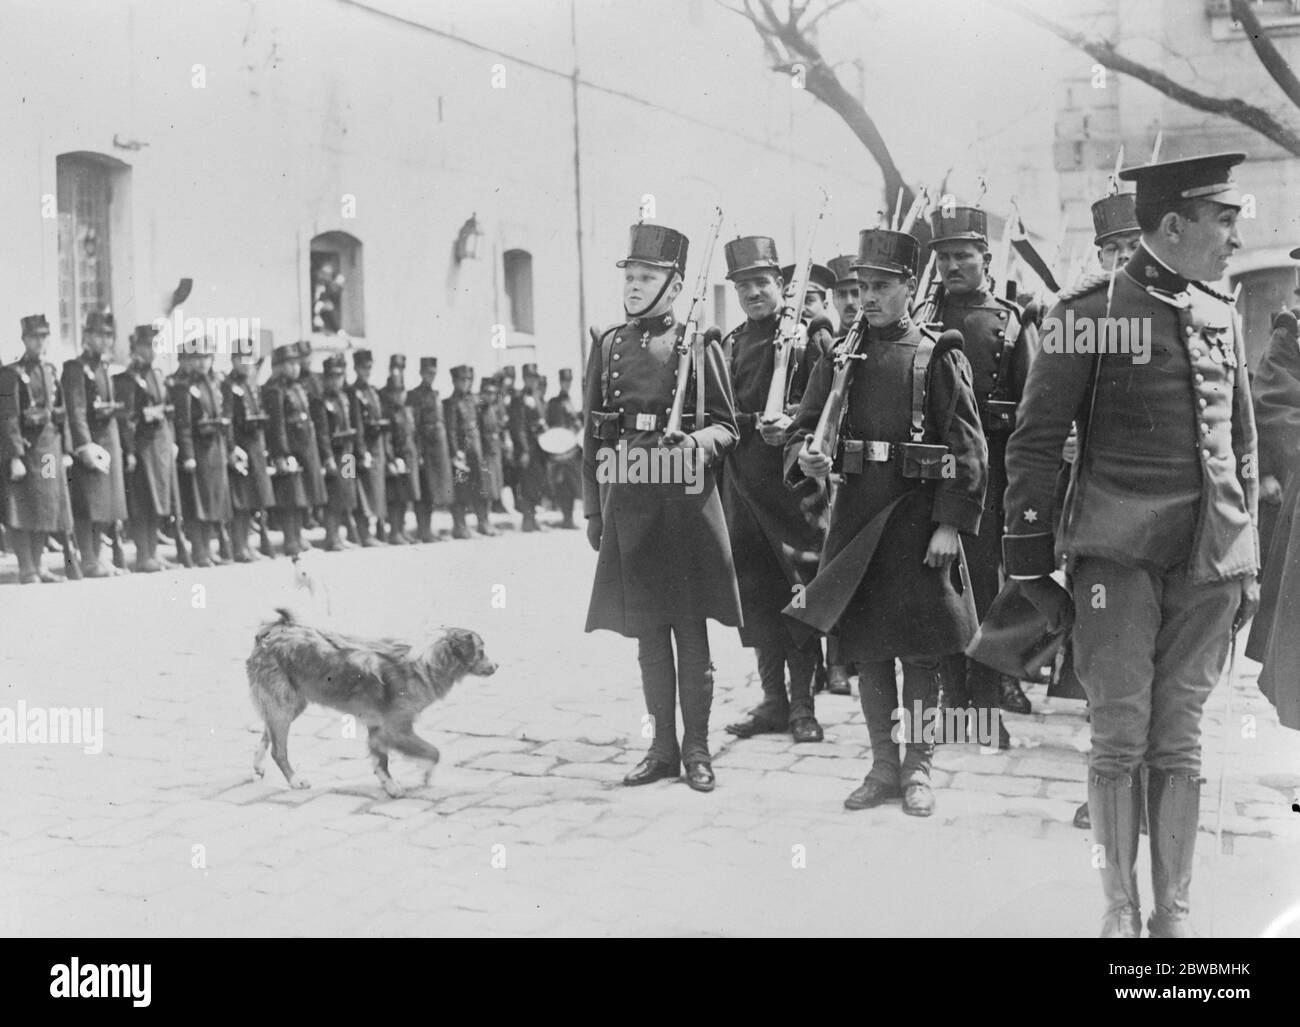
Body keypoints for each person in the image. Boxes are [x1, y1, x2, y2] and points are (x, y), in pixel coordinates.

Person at [1002, 152, 1257, 937]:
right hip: (1117, 559)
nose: (1233, 240)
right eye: (1223, 222)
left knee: (1180, 735)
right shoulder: (1089, 309)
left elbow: (1242, 447)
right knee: (1119, 734)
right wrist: (1027, 563)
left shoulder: (1222, 311)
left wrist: (1248, 560)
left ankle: (1173, 913)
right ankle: (1119, 908)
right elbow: (1035, 443)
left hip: (1208, 561)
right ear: (1173, 224)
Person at [784, 228, 987, 816]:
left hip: (917, 519)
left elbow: (969, 448)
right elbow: (804, 426)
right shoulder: (838, 355)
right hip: (857, 517)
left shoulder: (937, 353)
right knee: (870, 649)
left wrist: (951, 523)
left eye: (881, 287)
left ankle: (918, 766)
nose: (867, 298)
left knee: (920, 651)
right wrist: (808, 456)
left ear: (908, 287)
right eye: (861, 287)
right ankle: (881, 766)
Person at [584, 222, 741, 793]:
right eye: (629, 276)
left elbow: (729, 426)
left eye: (646, 277)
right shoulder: (609, 344)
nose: (633, 286)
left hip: (684, 499)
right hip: (629, 496)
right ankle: (662, 749)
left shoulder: (701, 344)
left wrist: (697, 443)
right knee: (648, 631)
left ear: (674, 288)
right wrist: (593, 512)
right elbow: (593, 435)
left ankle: (698, 749)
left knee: (690, 630)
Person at [930, 203, 1038, 739]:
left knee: (987, 586)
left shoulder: (1012, 323)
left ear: (985, 258)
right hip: (932, 472)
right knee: (940, 586)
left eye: (962, 256)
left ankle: (988, 704)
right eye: (944, 257)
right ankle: (952, 701)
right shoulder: (925, 319)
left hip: (992, 471)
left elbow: (1036, 407)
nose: (952, 266)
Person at [719, 236, 828, 745]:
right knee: (758, 592)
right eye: (743, 286)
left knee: (800, 594)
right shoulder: (733, 344)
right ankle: (773, 701)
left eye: (761, 282)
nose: (753, 293)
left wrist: (796, 426)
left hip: (795, 487)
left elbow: (831, 407)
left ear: (782, 285)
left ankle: (804, 705)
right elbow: (719, 413)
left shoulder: (810, 340)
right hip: (744, 485)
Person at [1068, 187, 1141, 830]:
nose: (1120, 259)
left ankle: (1145, 791)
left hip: (1164, 522)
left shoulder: (1181, 315)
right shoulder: (1082, 324)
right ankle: (1109, 789)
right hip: (1095, 518)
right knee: (1102, 659)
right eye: (1109, 249)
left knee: (1157, 665)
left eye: (1130, 246)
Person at [0, 314, 75, 583]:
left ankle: (40, 563)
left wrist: (66, 449)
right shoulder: (11, 374)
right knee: (23, 506)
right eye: (34, 337)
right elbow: (8, 417)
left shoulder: (51, 371)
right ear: (24, 340)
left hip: (50, 451)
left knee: (47, 505)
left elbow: (61, 412)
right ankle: (26, 567)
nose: (39, 343)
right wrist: (15, 456)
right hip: (27, 452)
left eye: (44, 337)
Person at [62, 311, 128, 577]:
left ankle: (99, 558)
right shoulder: (76, 368)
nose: (104, 341)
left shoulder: (104, 368)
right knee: (89, 504)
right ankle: (88, 559)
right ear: (86, 336)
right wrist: (84, 445)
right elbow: (76, 411)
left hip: (109, 443)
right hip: (90, 445)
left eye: (108, 336)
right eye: (99, 335)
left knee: (106, 504)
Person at [115, 325, 178, 572]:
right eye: (147, 346)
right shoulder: (128, 378)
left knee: (158, 502)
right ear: (135, 348)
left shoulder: (157, 374)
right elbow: (127, 417)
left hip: (159, 447)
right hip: (141, 447)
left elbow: (166, 406)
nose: (152, 351)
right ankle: (143, 554)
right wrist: (129, 450)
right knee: (143, 502)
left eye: (155, 345)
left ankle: (153, 552)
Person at [263, 342, 325, 556]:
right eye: (290, 364)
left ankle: (298, 536)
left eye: (297, 363)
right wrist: (282, 454)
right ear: (279, 366)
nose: (295, 368)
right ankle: (291, 539)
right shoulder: (274, 390)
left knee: (302, 497)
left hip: (305, 448)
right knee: (291, 498)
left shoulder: (297, 387)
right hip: (290, 451)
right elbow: (277, 425)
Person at [314, 355, 360, 550]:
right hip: (334, 454)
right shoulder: (320, 402)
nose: (336, 381)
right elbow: (322, 433)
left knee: (346, 494)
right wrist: (327, 458)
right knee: (334, 496)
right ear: (325, 378)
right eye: (332, 377)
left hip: (347, 453)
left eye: (340, 377)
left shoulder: (344, 398)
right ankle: (331, 537)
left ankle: (342, 536)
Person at [346, 348, 389, 546]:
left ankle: (380, 531)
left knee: (378, 490)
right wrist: (362, 452)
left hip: (378, 446)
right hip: (364, 449)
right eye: (363, 367)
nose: (367, 371)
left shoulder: (373, 391)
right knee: (364, 492)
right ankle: (364, 533)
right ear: (355, 368)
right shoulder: (354, 393)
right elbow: (357, 424)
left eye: (369, 367)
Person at [408, 356, 453, 543]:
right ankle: (423, 530)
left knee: (434, 489)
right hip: (424, 448)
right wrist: (417, 451)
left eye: (433, 373)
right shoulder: (414, 395)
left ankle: (428, 529)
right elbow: (414, 425)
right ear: (421, 373)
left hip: (437, 449)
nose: (430, 376)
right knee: (424, 490)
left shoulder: (436, 394)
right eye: (427, 373)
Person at [444, 365, 490, 539]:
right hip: (461, 453)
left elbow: (481, 425)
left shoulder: (474, 401)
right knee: (460, 489)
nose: (465, 383)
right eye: (461, 380)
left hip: (475, 451)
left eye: (468, 380)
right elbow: (451, 430)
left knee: (480, 488)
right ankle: (460, 525)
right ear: (454, 382)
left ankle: (483, 522)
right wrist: (456, 452)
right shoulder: (451, 403)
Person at [380, 354, 420, 544]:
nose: (399, 396)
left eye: (401, 392)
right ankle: (394, 531)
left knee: (406, 496)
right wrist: (392, 458)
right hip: (396, 459)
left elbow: (412, 433)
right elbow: (387, 439)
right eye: (395, 392)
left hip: (409, 456)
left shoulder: (406, 410)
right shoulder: (388, 411)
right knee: (395, 497)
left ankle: (401, 529)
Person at [510, 363, 548, 532]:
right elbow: (517, 426)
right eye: (529, 378)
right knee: (526, 484)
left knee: (537, 483)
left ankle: (533, 517)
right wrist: (524, 449)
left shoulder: (537, 397)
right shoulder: (518, 398)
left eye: (534, 378)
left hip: (539, 447)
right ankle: (527, 519)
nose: (532, 381)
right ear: (524, 378)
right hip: (527, 448)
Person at [545, 367, 583, 529]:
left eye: (569, 381)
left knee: (571, 484)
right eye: (564, 381)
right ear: (560, 382)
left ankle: (569, 518)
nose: (566, 384)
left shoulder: (570, 401)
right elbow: (557, 426)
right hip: (562, 448)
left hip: (572, 448)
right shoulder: (556, 402)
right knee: (563, 485)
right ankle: (566, 518)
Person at [475, 375, 505, 535]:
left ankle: (487, 521)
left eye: (493, 393)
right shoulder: (478, 410)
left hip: (494, 453)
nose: (490, 396)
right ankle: (482, 522)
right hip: (484, 454)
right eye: (487, 393)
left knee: (492, 489)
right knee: (484, 490)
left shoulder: (493, 409)